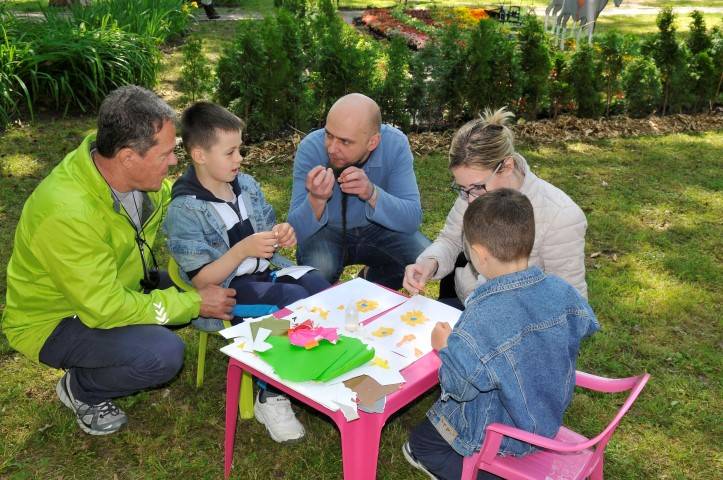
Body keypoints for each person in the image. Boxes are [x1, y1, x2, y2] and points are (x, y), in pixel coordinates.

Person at [1, 86, 236, 436]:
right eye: (166, 154)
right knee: (163, 353)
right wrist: (192, 303)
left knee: (196, 282)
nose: (174, 162)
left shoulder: (136, 181)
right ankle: (82, 388)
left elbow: (183, 210)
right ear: (127, 157)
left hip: (116, 287)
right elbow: (105, 308)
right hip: (56, 320)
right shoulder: (67, 212)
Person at [402, 188, 600, 480]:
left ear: (479, 254)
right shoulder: (562, 290)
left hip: (501, 432)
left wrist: (445, 348)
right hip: (546, 418)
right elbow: (585, 324)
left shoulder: (481, 315)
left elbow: (460, 387)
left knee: (420, 444)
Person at [164, 101, 330, 443]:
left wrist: (281, 233)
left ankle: (314, 363)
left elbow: (267, 229)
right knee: (287, 305)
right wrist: (242, 250)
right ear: (199, 155)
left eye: (240, 149)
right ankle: (269, 396)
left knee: (318, 286)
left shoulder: (246, 185)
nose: (239, 158)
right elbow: (202, 281)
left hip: (263, 274)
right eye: (230, 152)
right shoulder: (185, 209)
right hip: (225, 294)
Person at [403, 107, 588, 309]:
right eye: (463, 188)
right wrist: (430, 263)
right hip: (468, 300)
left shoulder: (561, 216)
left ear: (507, 166)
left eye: (477, 187)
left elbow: (570, 304)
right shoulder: (474, 192)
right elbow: (450, 239)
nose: (470, 200)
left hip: (521, 319)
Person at [288, 93, 430, 290]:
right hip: (325, 232)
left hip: (379, 228)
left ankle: (368, 283)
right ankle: (331, 293)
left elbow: (411, 219)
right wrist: (316, 199)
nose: (332, 148)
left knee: (423, 256)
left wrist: (372, 193)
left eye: (345, 142)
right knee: (319, 271)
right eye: (329, 135)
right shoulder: (311, 148)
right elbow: (295, 231)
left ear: (373, 142)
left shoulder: (395, 144)